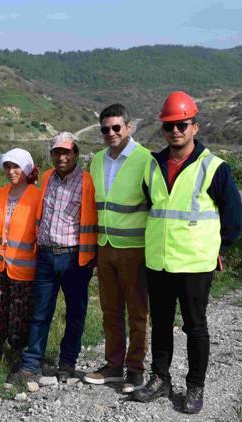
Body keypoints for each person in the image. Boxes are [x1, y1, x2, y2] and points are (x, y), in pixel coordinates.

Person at [133, 91, 242, 414]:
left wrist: (217, 248)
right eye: (169, 126)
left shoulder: (214, 168)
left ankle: (195, 386)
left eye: (182, 124)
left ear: (195, 126)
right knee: (162, 324)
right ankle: (160, 378)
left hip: (195, 264)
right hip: (159, 262)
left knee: (195, 326)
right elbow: (153, 206)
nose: (176, 131)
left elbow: (233, 218)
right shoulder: (152, 166)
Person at [7, 132, 98, 384]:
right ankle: (31, 364)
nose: (62, 156)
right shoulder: (46, 178)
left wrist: (92, 256)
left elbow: (95, 220)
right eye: (57, 152)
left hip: (74, 259)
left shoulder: (88, 182)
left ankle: (67, 363)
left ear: (76, 154)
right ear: (51, 155)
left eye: (67, 152)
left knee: (75, 313)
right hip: (46, 255)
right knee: (41, 312)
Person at [84, 104, 151, 393]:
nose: (110, 133)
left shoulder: (146, 159)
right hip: (105, 247)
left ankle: (135, 370)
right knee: (110, 311)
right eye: (105, 129)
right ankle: (113, 366)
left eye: (116, 127)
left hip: (135, 247)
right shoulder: (97, 160)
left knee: (137, 312)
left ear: (129, 126)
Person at [0, 148, 40, 361]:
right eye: (7, 166)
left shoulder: (37, 196)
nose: (11, 171)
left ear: (26, 168)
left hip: (24, 268)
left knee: (20, 313)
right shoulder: (0, 194)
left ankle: (18, 354)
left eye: (16, 166)